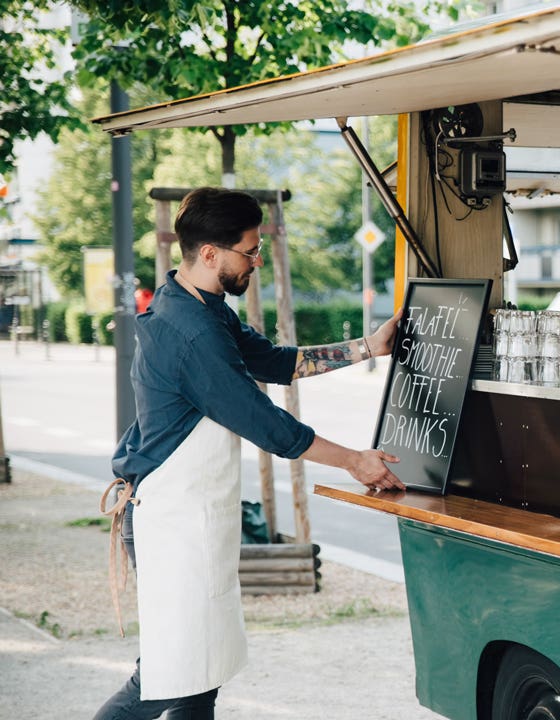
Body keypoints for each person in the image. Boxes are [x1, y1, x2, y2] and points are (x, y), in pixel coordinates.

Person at [95, 187, 406, 720]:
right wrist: (355, 460)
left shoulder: (199, 305)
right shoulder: (190, 331)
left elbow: (276, 362)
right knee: (167, 681)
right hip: (169, 520)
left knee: (201, 676)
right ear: (211, 253)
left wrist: (367, 347)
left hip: (190, 518)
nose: (257, 262)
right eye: (249, 251)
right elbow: (266, 424)